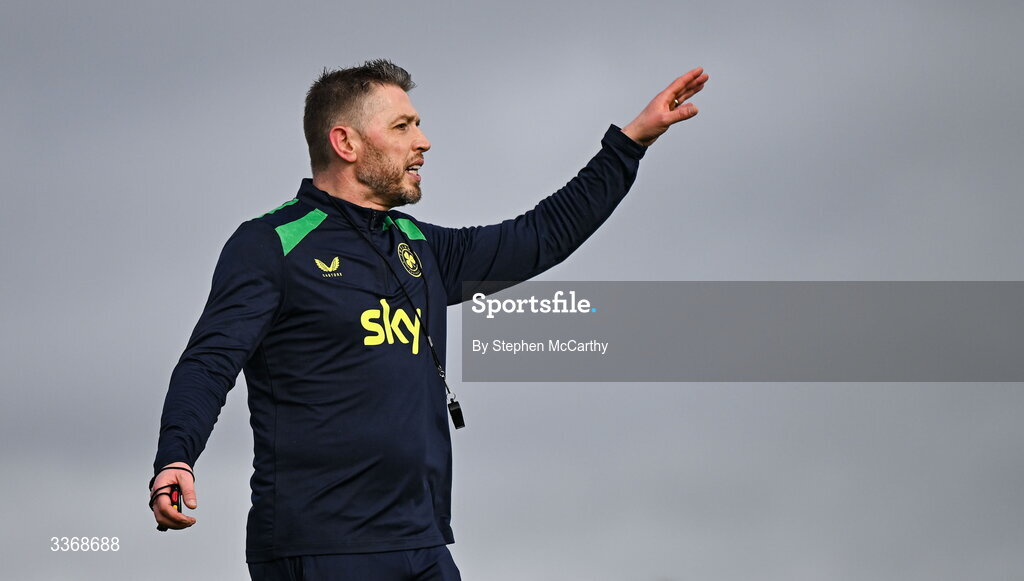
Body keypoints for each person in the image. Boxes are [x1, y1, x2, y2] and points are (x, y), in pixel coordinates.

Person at [149, 59, 708, 580]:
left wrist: (631, 142)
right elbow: (210, 361)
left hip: (421, 542)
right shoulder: (271, 244)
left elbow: (542, 236)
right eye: (403, 127)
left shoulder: (420, 246)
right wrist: (177, 455)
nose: (423, 141)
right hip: (320, 546)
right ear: (344, 141)